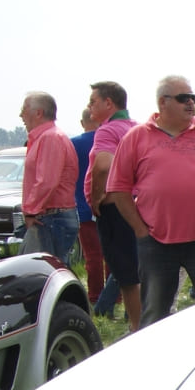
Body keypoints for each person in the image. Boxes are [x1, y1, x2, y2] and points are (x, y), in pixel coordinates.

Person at [106, 75, 195, 328]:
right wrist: (140, 231)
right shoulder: (136, 138)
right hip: (156, 244)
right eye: (183, 98)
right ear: (162, 103)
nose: (190, 103)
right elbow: (118, 190)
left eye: (192, 98)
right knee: (155, 315)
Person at [86, 80, 143, 329]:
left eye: (93, 102)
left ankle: (138, 327)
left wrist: (96, 196)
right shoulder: (139, 128)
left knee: (126, 275)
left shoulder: (107, 131)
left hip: (115, 207)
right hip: (139, 206)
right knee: (140, 270)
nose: (89, 107)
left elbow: (103, 165)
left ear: (108, 103)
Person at [19, 91, 79, 263]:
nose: (21, 115)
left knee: (46, 274)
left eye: (24, 109)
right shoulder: (48, 137)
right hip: (53, 216)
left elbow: (46, 181)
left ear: (38, 113)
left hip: (52, 217)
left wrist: (30, 211)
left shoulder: (50, 138)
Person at [71, 106, 112, 311]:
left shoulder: (74, 144)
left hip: (82, 205)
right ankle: (115, 296)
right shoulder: (107, 141)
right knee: (111, 253)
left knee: (92, 255)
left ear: (82, 122)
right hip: (106, 202)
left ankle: (95, 294)